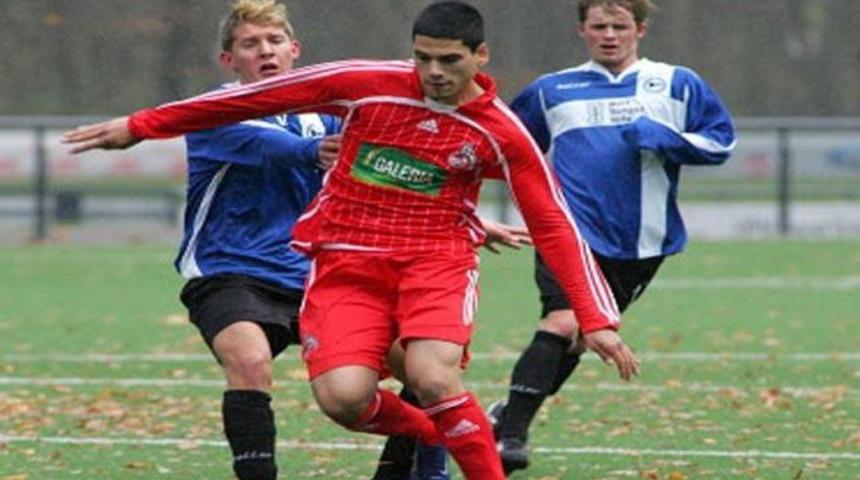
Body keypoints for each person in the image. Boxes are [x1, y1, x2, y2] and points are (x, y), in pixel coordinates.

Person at [63, 2, 640, 478]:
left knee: (432, 376)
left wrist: (593, 315)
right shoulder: (362, 87)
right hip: (316, 266)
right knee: (341, 398)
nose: (433, 72)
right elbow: (241, 110)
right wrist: (140, 126)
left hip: (428, 266)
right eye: (422, 58)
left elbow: (550, 220)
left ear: (480, 57)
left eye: (449, 60)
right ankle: (443, 435)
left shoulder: (499, 131)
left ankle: (460, 458)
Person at [486, 0, 737, 473]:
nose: (609, 34)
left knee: (581, 338)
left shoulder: (678, 84)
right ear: (582, 29)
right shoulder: (551, 91)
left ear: (639, 29)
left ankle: (506, 416)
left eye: (619, 25)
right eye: (598, 25)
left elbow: (721, 141)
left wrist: (668, 138)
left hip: (644, 242)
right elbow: (510, 149)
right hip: (569, 234)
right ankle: (511, 438)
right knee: (563, 322)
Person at [161, 2, 340, 479]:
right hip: (229, 272)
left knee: (412, 366)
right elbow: (273, 147)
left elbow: (372, 176)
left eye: (274, 41)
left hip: (312, 275)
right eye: (250, 44)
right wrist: (314, 151)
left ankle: (413, 466)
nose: (265, 51)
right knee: (250, 361)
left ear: (294, 50)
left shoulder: (327, 116)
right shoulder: (212, 111)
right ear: (229, 60)